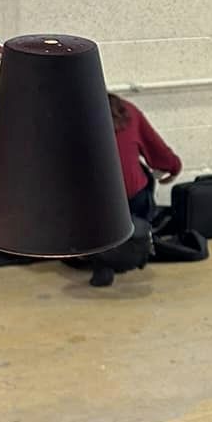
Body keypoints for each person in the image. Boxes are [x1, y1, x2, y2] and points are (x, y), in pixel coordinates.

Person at [87, 93, 182, 288]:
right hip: (130, 194)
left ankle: (101, 261)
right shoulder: (128, 111)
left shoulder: (69, 116)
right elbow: (158, 151)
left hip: (91, 204)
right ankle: (140, 243)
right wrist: (174, 167)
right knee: (143, 179)